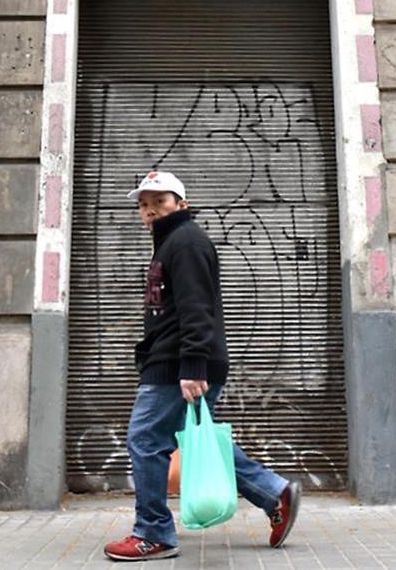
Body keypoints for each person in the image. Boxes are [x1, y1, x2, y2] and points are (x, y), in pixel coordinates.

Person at [103, 170, 302, 562]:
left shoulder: (186, 242)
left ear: (181, 204)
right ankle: (274, 491)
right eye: (144, 204)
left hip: (180, 363)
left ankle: (153, 534)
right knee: (193, 439)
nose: (150, 211)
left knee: (145, 440)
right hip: (178, 359)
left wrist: (192, 366)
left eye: (160, 202)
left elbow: (197, 310)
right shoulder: (173, 243)